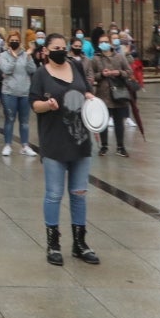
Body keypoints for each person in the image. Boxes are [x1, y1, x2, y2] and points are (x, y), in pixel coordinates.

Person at [29, 31, 99, 265]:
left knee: (79, 193)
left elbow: (87, 89)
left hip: (80, 140)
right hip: (54, 141)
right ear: (46, 51)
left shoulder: (76, 66)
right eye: (55, 47)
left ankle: (80, 243)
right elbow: (34, 104)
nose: (61, 51)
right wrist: (47, 105)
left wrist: (91, 99)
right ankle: (53, 243)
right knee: (54, 194)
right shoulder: (40, 74)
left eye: (63, 47)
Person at [91, 40, 137, 157]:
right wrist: (102, 74)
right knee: (104, 122)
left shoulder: (120, 57)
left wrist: (119, 72)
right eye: (101, 42)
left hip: (119, 93)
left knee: (119, 122)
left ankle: (120, 146)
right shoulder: (96, 59)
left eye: (106, 41)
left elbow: (129, 72)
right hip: (103, 93)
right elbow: (92, 76)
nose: (103, 44)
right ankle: (104, 146)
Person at [0, 31, 38, 156]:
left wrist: (29, 57)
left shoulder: (25, 54)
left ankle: (25, 145)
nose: (14, 42)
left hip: (25, 92)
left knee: (24, 121)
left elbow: (33, 69)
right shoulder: (3, 56)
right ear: (8, 42)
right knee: (10, 119)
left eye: (17, 40)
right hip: (9, 92)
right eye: (12, 40)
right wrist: (14, 58)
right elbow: (6, 69)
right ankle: (7, 144)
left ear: (20, 41)